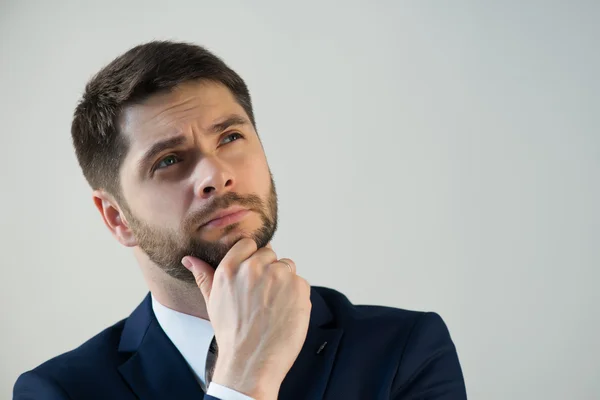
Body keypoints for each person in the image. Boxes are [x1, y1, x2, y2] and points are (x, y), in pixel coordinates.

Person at [13, 40, 467, 400]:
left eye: (230, 136)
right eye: (169, 160)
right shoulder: (59, 392)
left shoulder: (405, 350)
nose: (216, 175)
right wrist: (242, 383)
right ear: (117, 218)